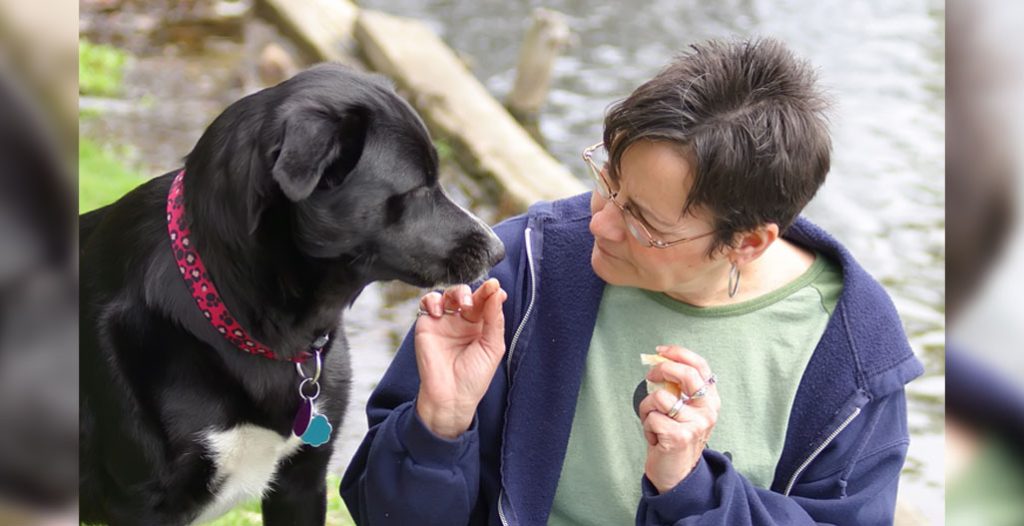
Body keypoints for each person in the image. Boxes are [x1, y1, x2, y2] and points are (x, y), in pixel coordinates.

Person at [340, 37, 923, 525]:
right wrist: (439, 426)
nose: (599, 222)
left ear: (748, 242)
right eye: (608, 180)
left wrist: (691, 491)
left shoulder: (852, 360)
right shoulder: (525, 266)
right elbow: (380, 511)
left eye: (642, 219)